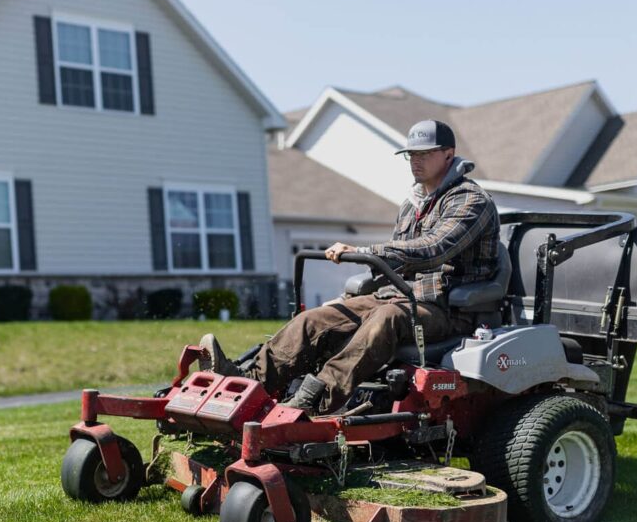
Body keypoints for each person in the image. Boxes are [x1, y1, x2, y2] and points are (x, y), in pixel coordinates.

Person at [201, 119, 500, 414]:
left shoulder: (470, 200)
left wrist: (364, 251)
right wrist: (349, 299)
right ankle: (246, 383)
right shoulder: (413, 204)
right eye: (411, 154)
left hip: (450, 307)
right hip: (400, 297)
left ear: (449, 154)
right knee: (315, 319)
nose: (415, 161)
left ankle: (314, 403)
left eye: (424, 154)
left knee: (386, 319)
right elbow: (398, 265)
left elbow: (434, 248)